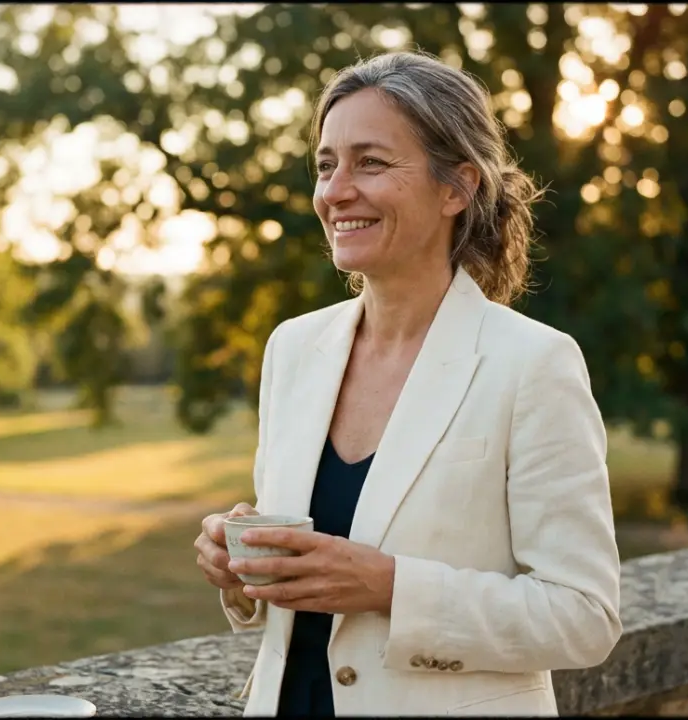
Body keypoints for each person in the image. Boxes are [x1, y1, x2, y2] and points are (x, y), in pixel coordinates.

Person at [193, 50, 622, 717]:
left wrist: (391, 586)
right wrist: (242, 569)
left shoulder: (533, 364)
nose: (335, 191)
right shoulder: (292, 349)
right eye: (327, 164)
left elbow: (584, 616)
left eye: (370, 162)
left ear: (457, 189)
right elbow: (302, 587)